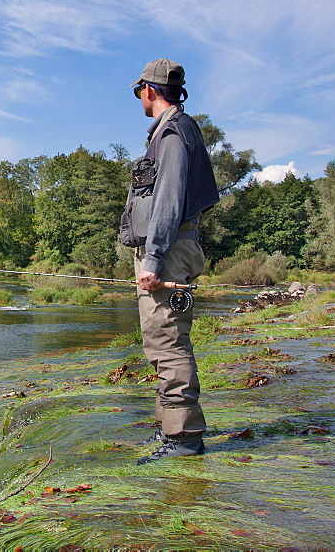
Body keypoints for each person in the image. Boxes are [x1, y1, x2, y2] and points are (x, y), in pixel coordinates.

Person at [121, 58, 219, 463]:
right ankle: (170, 430)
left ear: (149, 89)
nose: (139, 97)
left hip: (168, 252)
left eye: (138, 91)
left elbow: (168, 200)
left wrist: (154, 259)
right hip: (169, 251)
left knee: (169, 341)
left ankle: (183, 439)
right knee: (160, 340)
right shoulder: (170, 131)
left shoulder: (174, 134)